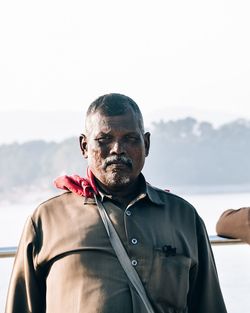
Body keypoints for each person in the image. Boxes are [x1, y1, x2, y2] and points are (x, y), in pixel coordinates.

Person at [5, 93, 227, 313]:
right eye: (104, 140)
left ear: (146, 144)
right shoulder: (47, 220)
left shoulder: (183, 217)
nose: (117, 149)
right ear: (84, 146)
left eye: (130, 139)